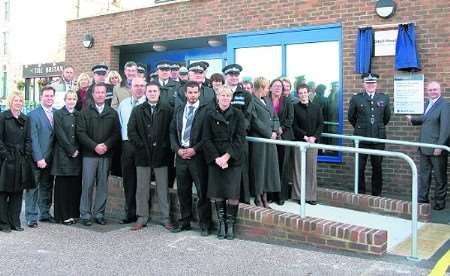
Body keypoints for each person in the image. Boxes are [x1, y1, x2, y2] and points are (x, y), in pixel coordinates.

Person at [128, 82, 175, 231]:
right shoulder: (137, 110)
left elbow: (171, 131)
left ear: (159, 92)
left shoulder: (168, 110)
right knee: (142, 188)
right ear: (146, 93)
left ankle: (166, 218)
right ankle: (142, 218)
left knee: (163, 188)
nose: (152, 93)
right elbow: (131, 131)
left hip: (162, 155)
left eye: (155, 91)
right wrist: (140, 145)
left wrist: (164, 146)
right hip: (143, 155)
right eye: (150, 91)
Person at [203, 86, 246, 240]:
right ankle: (221, 224)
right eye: (222, 95)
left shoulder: (238, 114)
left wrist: (226, 157)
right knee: (218, 193)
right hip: (216, 159)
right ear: (217, 96)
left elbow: (240, 139)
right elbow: (206, 139)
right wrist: (217, 158)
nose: (225, 98)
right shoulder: (209, 114)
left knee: (233, 194)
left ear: (231, 97)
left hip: (233, 159)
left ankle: (231, 225)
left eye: (228, 95)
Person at [170, 81, 211, 235]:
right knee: (183, 191)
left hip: (198, 157)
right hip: (181, 156)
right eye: (190, 92)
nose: (193, 95)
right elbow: (172, 132)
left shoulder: (206, 110)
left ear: (199, 93)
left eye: (195, 92)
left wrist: (194, 149)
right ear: (185, 93)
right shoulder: (179, 109)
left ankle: (205, 224)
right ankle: (185, 221)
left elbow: (207, 135)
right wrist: (177, 149)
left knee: (202, 192)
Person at [77, 83, 121, 226]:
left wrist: (106, 146)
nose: (100, 95)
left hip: (105, 155)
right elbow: (81, 133)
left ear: (105, 94)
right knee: (87, 185)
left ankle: (99, 214)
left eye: (102, 92)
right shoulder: (85, 112)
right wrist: (94, 146)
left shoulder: (112, 113)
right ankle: (85, 214)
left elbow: (116, 133)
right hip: (89, 155)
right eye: (97, 92)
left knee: (102, 185)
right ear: (93, 94)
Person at [406, 81, 450, 210]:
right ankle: (422, 200)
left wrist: (440, 146)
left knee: (439, 177)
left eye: (435, 89)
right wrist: (413, 120)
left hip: (437, 148)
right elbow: (426, 120)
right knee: (424, 175)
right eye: (430, 90)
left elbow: (446, 128)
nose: (432, 92)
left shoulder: (445, 105)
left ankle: (439, 203)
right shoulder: (428, 104)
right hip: (424, 146)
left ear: (440, 90)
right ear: (427, 91)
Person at [348, 73, 391, 196]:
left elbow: (386, 118)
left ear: (376, 84)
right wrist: (362, 128)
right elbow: (351, 117)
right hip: (361, 139)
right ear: (364, 84)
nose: (370, 85)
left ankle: (376, 194)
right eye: (368, 83)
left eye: (373, 83)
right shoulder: (356, 98)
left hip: (378, 139)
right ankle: (360, 193)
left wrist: (376, 128)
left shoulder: (384, 98)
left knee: (377, 167)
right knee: (360, 167)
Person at [0, 91, 34, 232]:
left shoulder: (26, 119)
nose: (18, 103)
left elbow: (28, 139)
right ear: (10, 102)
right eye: (16, 100)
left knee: (18, 193)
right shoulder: (3, 117)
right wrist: (6, 155)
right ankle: (3, 223)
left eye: (20, 100)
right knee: (3, 192)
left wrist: (26, 154)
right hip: (6, 160)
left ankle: (15, 222)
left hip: (21, 159)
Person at [116, 77, 147, 224]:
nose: (139, 88)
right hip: (127, 146)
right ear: (131, 87)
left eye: (142, 85)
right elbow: (121, 125)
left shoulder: (149, 104)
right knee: (129, 182)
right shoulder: (123, 104)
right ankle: (130, 213)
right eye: (136, 86)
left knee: (142, 182)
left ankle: (142, 214)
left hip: (143, 147)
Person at [25, 86, 56, 228]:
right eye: (46, 96)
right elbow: (33, 138)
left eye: (51, 96)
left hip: (52, 158)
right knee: (33, 188)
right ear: (41, 97)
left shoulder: (57, 113)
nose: (49, 98)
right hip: (37, 158)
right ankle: (31, 216)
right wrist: (39, 158)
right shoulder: (33, 115)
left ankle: (44, 213)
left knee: (47, 186)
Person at [223, 64, 253, 204]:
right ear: (226, 76)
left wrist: (236, 131)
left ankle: (243, 200)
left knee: (241, 170)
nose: (234, 77)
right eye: (231, 74)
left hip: (239, 139)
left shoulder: (246, 95)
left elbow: (248, 117)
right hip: (223, 139)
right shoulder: (221, 93)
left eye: (236, 75)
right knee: (224, 169)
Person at [249, 77, 280, 208]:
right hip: (259, 142)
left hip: (270, 141)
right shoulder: (251, 100)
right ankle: (257, 196)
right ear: (261, 87)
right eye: (267, 87)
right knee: (259, 169)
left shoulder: (267, 100)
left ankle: (265, 197)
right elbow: (254, 121)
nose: (268, 90)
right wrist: (269, 133)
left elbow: (275, 117)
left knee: (268, 169)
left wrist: (275, 130)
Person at [51, 91, 82, 224]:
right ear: (65, 100)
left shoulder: (79, 114)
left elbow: (81, 133)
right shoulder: (58, 114)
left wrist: (77, 150)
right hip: (63, 154)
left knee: (74, 186)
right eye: (69, 99)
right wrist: (71, 150)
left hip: (77, 155)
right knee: (62, 187)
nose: (71, 101)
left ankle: (73, 213)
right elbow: (60, 133)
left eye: (74, 98)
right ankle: (62, 215)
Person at [291, 83, 323, 205]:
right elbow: (294, 125)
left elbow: (321, 124)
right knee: (299, 169)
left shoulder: (316, 107)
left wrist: (314, 137)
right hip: (300, 142)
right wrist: (304, 136)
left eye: (305, 92)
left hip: (312, 143)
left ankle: (311, 196)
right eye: (300, 93)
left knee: (311, 170)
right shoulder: (294, 107)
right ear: (297, 94)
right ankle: (300, 196)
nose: (303, 95)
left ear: (309, 93)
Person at [268, 79, 294, 205]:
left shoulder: (287, 101)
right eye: (275, 86)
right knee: (271, 166)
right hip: (269, 137)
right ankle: (270, 194)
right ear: (270, 87)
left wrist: (280, 129)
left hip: (283, 137)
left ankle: (281, 196)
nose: (278, 88)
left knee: (282, 167)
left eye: (280, 86)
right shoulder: (266, 100)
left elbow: (290, 119)